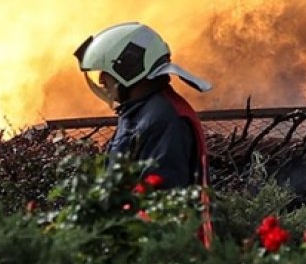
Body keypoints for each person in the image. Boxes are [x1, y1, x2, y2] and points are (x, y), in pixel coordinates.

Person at [73, 22, 212, 189]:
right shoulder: (137, 112)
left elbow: (159, 197)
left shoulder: (165, 121)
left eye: (105, 72)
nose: (101, 80)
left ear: (128, 68)